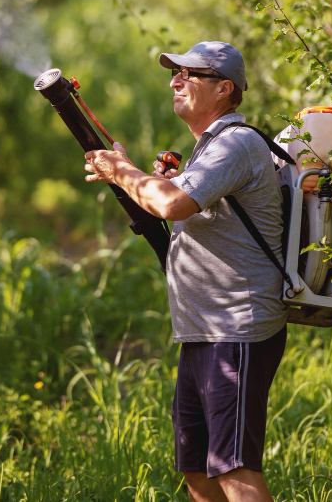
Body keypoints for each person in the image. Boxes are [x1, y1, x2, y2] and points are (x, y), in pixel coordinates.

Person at [83, 41, 287, 502]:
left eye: (188, 74)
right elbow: (166, 198)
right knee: (197, 472)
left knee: (235, 470)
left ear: (224, 88)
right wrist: (132, 175)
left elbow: (173, 205)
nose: (175, 81)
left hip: (238, 329)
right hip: (202, 332)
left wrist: (124, 172)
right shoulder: (207, 149)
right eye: (174, 74)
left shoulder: (236, 143)